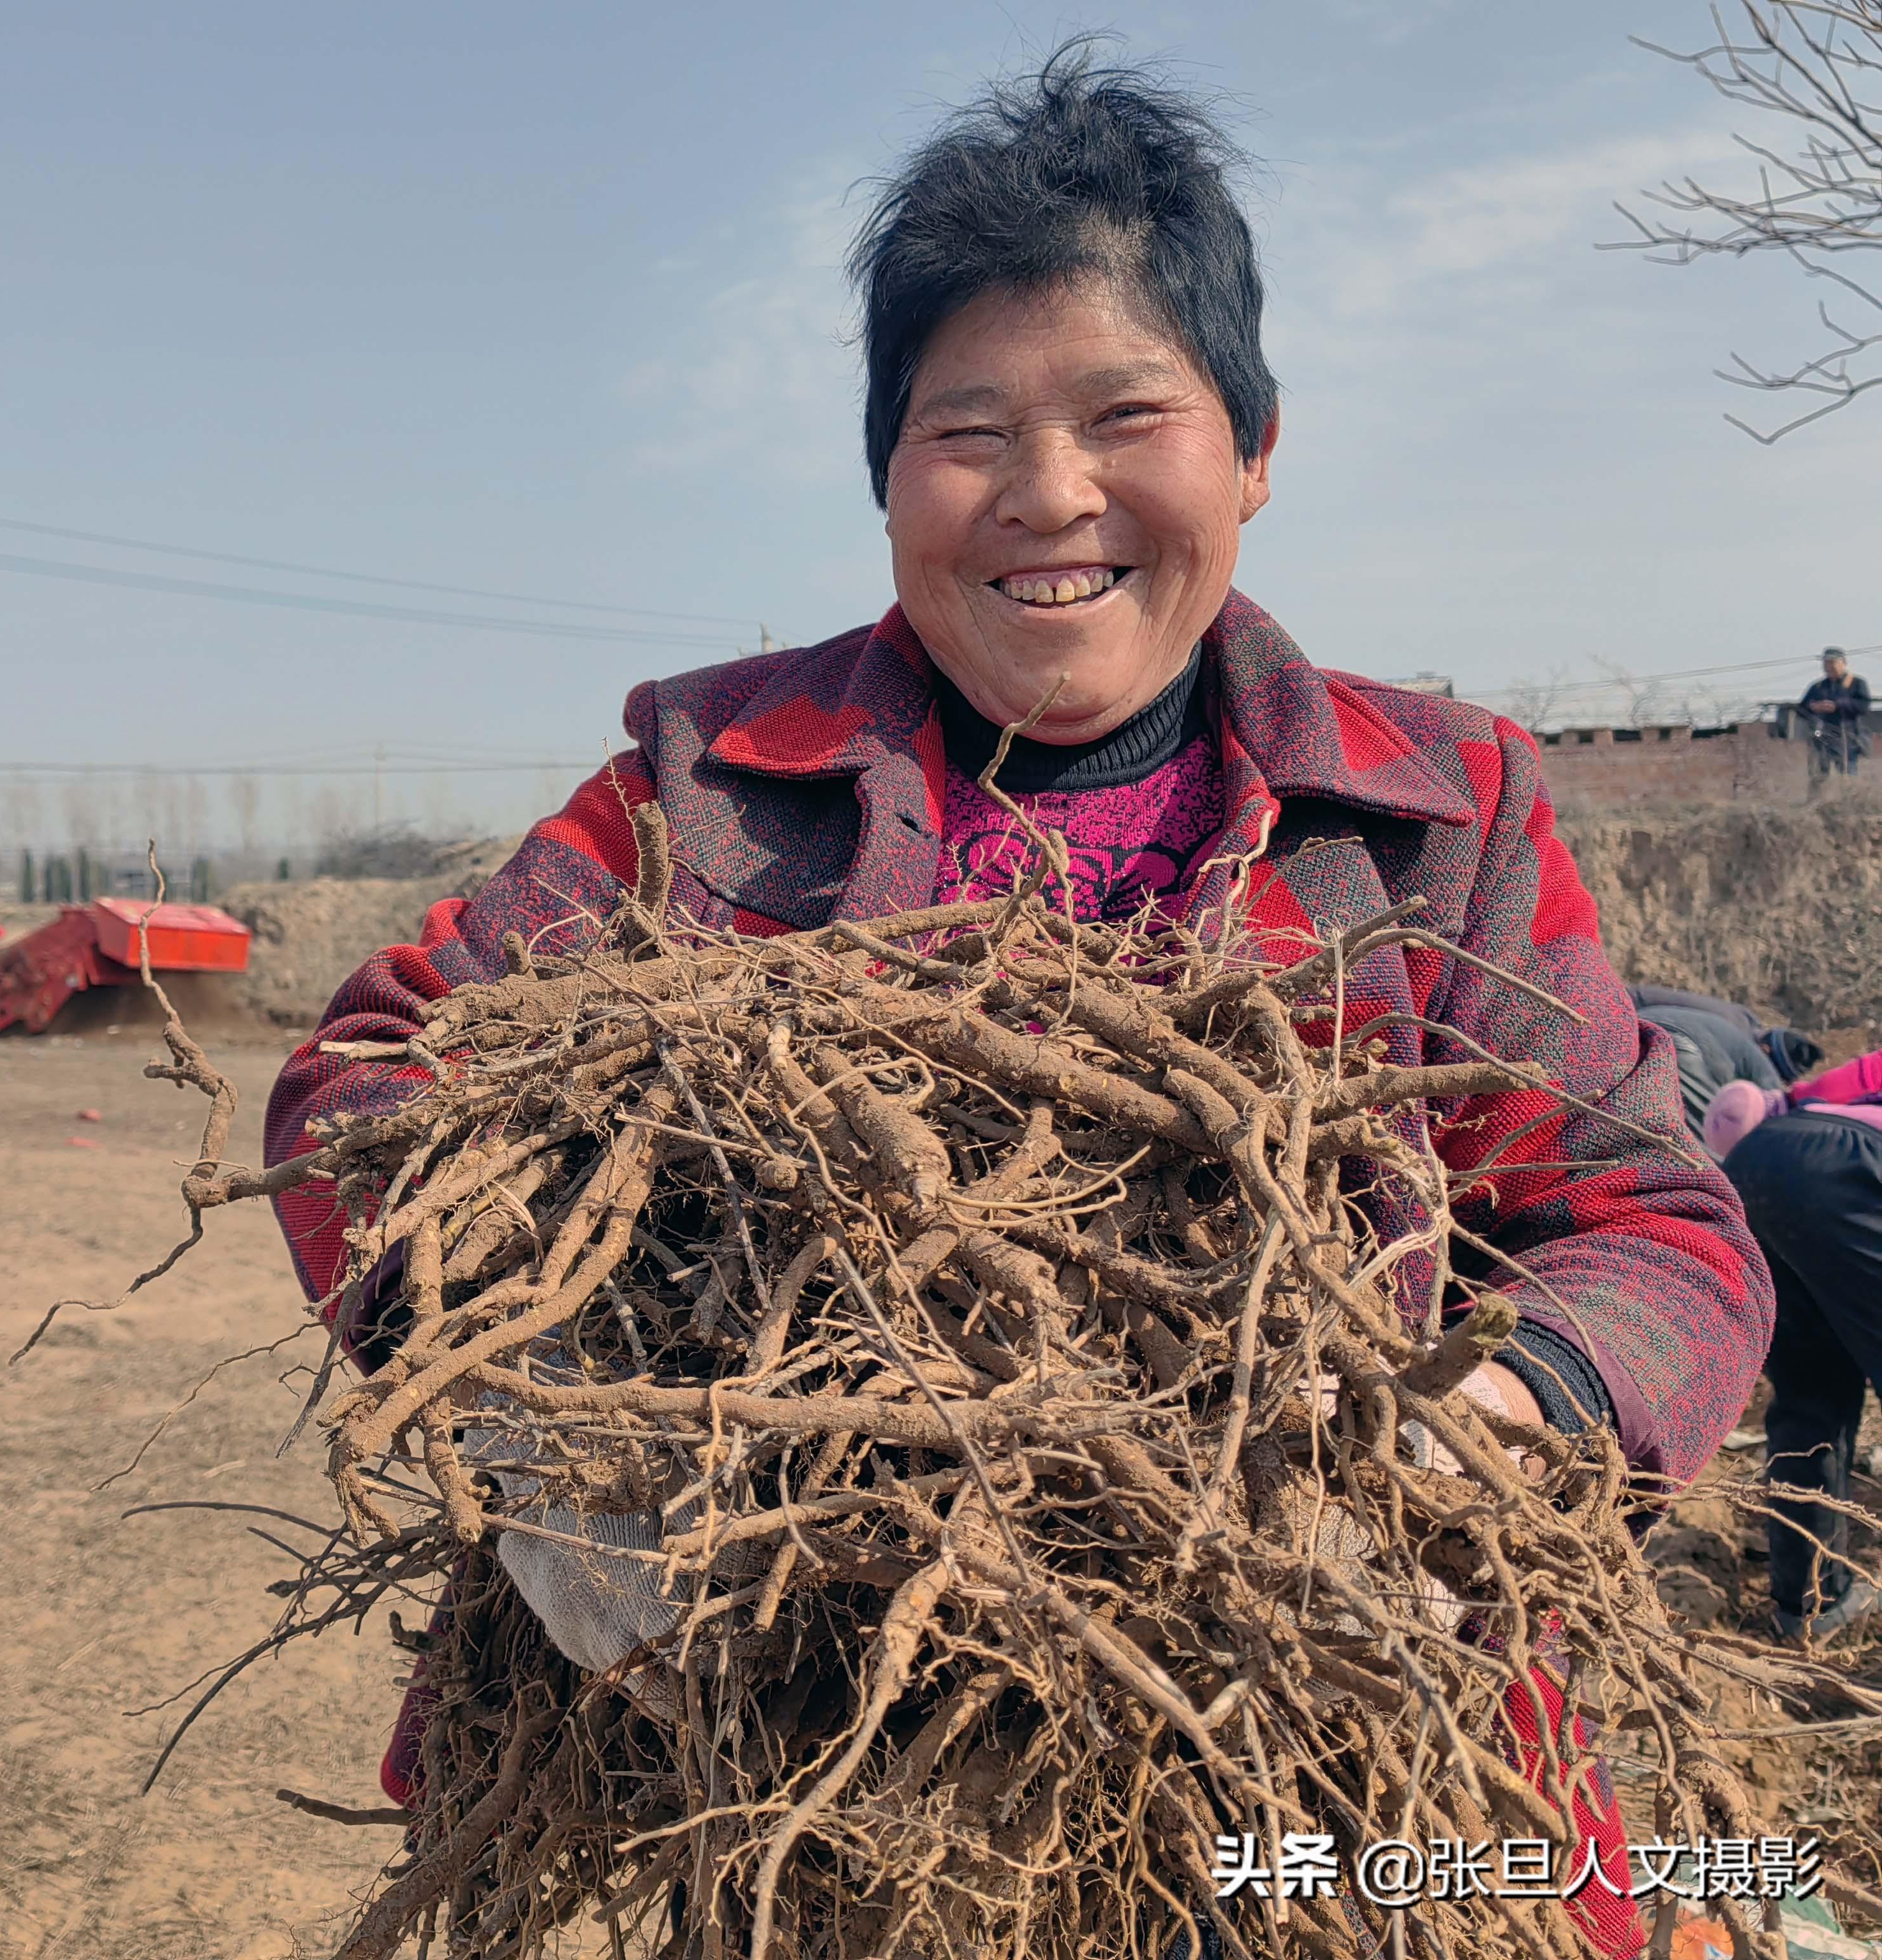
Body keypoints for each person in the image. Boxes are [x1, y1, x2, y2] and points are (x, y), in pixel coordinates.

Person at [266, 55, 1772, 1957]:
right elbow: (368, 1077)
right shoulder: (711, 787)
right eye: (967, 428)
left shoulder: (1438, 814)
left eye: (1125, 413)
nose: (1051, 494)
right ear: (888, 476)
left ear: (1253, 447)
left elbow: (1658, 1227)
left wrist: (1482, 1425)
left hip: (1323, 1768)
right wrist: (525, 1393)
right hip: (826, 1790)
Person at [1709, 1057, 1882, 1638]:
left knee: (1810, 1402)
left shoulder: (1846, 1080)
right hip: (1855, 1169)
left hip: (1762, 1161)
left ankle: (1808, 1607)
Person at [1631, 983, 1819, 1150]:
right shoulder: (1766, 1075)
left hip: (1644, 1025)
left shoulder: (1738, 1025)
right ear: (1766, 1050)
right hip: (1672, 1040)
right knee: (1711, 1139)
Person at [1800, 648, 1869, 778]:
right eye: (1826, 663)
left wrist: (1837, 706)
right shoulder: (1818, 687)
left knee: (1847, 774)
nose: (1829, 667)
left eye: (1833, 662)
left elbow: (1863, 706)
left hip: (1847, 737)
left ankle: (1849, 797)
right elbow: (1802, 708)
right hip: (1821, 738)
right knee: (1818, 775)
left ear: (1843, 663)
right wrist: (1813, 707)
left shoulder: (1856, 684)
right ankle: (1818, 798)